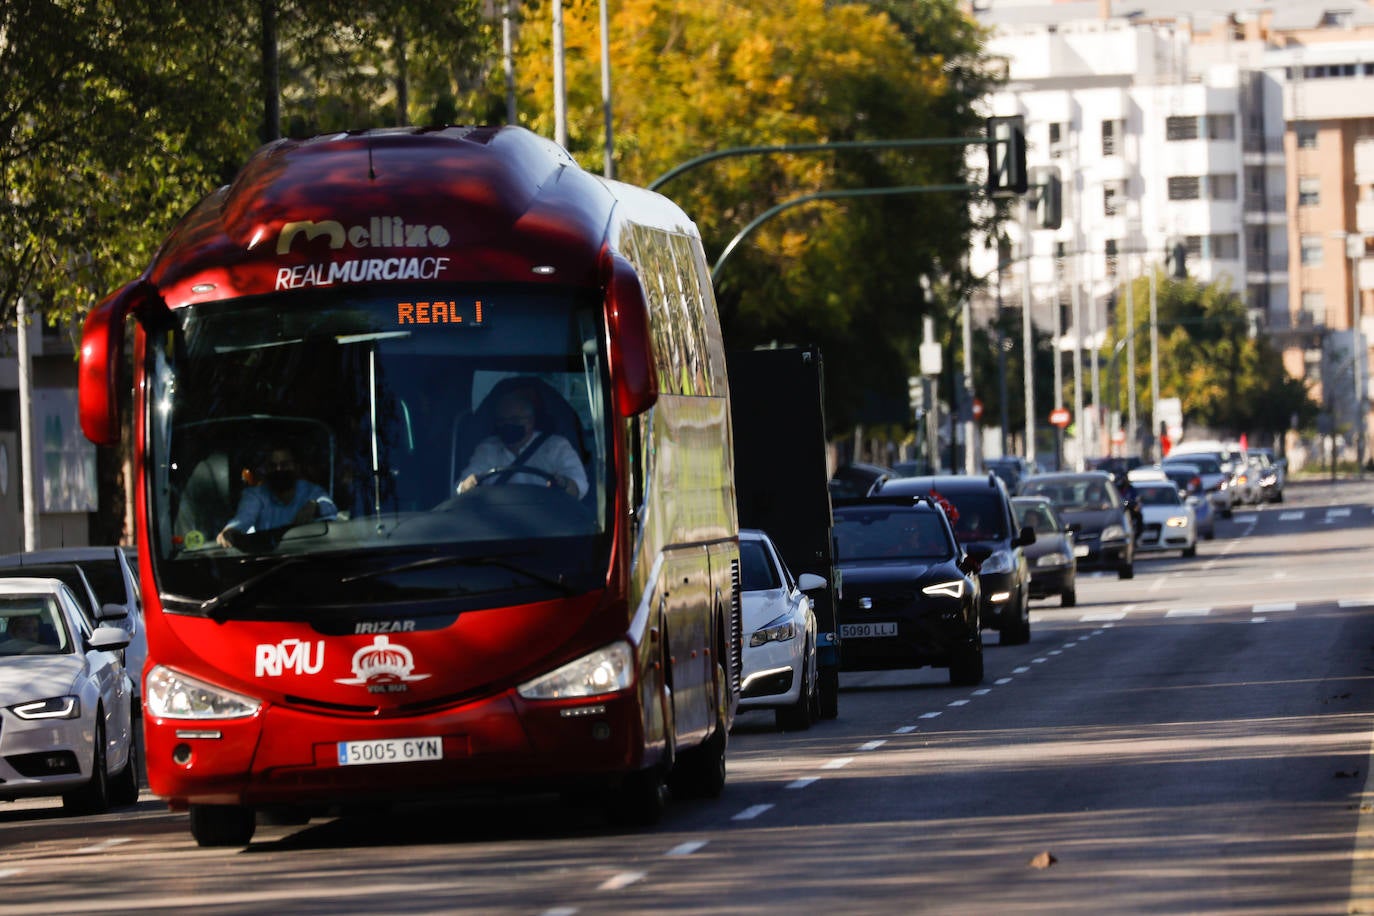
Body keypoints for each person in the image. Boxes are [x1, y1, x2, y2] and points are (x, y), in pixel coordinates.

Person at [457, 389, 588, 499]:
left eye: (515, 419)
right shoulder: (487, 450)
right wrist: (466, 486)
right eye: (502, 421)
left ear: (531, 421)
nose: (508, 425)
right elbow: (460, 489)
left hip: (548, 522)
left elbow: (580, 486)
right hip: (497, 523)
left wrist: (564, 484)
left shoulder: (556, 447)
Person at [217, 442, 338, 548]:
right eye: (273, 466)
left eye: (284, 465)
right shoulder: (256, 495)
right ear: (266, 469)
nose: (279, 470)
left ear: (295, 467)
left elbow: (330, 508)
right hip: (269, 561)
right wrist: (231, 531)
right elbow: (243, 518)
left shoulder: (311, 491)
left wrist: (316, 506)